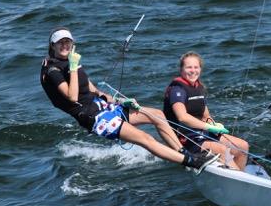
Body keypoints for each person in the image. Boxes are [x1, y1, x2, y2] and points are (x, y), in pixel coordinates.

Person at [40, 28, 217, 173]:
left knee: (157, 115)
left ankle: (183, 152)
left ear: (72, 43)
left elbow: (91, 88)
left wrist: (118, 101)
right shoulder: (53, 70)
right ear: (52, 45)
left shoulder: (72, 60)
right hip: (93, 117)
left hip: (103, 106)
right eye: (60, 42)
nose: (64, 45)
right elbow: (71, 97)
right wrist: (72, 67)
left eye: (67, 42)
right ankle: (191, 162)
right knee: (144, 138)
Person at [163, 52, 249, 171]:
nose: (193, 71)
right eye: (188, 67)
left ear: (200, 69)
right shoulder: (177, 90)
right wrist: (208, 127)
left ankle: (240, 175)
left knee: (242, 146)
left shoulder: (199, 88)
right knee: (222, 150)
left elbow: (205, 115)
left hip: (201, 134)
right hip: (184, 138)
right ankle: (239, 180)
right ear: (181, 69)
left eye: (196, 67)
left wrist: (214, 125)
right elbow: (182, 117)